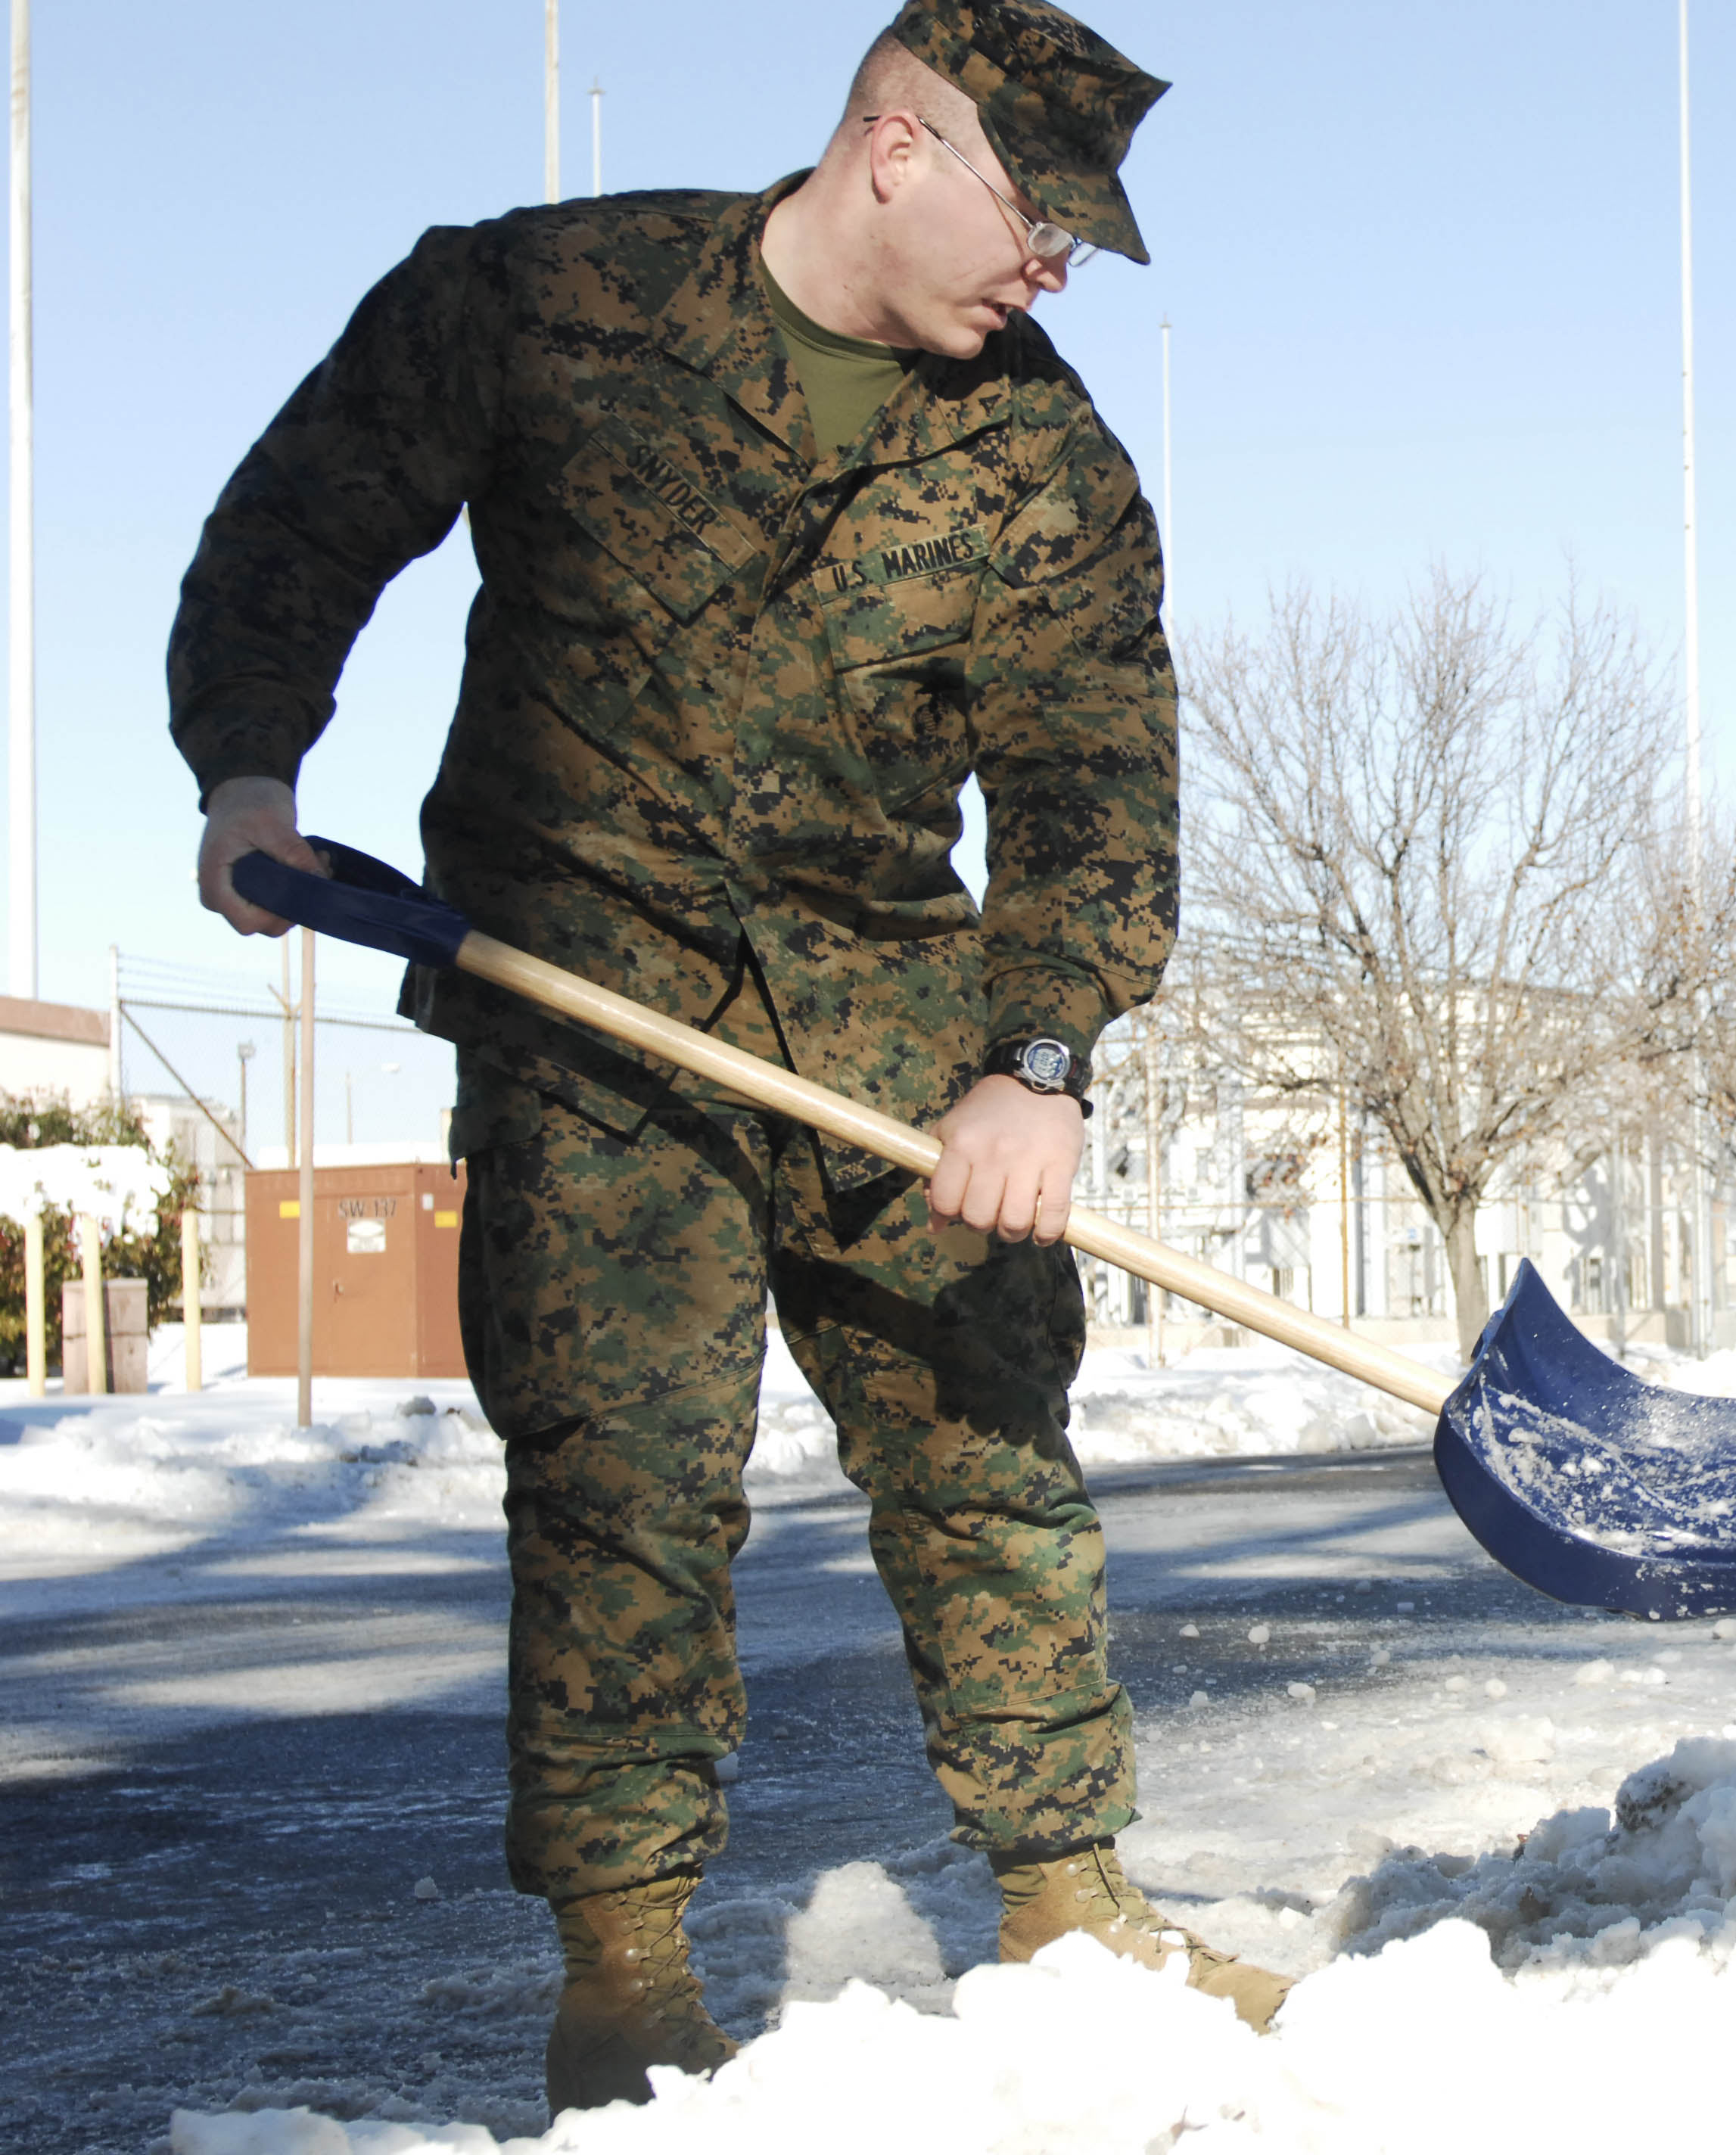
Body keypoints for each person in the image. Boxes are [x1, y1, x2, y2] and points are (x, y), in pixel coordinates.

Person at [167, 2, 1285, 2113]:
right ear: (893, 146)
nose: (1055, 271)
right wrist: (249, 766)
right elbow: (299, 526)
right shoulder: (541, 301)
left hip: (894, 1031)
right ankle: (625, 1975)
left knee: (986, 1453)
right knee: (617, 1490)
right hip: (579, 999)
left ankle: (1068, 1909)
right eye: (1037, 219)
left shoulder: (1043, 461)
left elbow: (1094, 784)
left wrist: (1038, 1057)